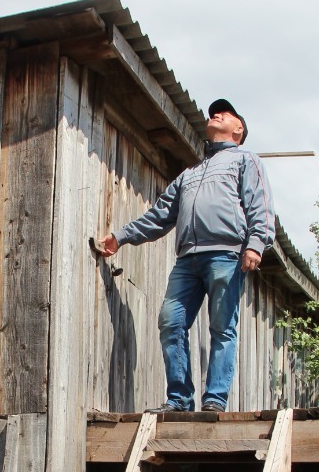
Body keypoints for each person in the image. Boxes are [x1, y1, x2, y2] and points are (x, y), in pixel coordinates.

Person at [94, 98, 274, 413]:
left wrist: (256, 243)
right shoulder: (190, 174)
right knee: (171, 322)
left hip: (226, 254)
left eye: (225, 113)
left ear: (238, 129)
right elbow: (159, 216)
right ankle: (179, 399)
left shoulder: (246, 160)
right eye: (214, 112)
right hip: (188, 260)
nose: (216, 114)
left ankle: (215, 401)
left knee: (221, 326)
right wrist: (121, 237)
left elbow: (259, 205)